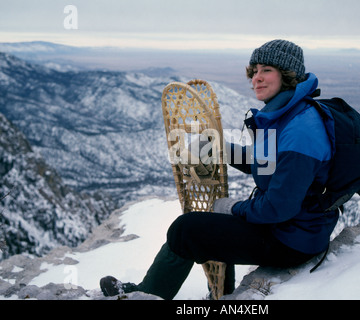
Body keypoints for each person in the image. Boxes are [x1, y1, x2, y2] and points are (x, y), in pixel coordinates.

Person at [100, 39, 339, 300]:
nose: (257, 78)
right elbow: (268, 165)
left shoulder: (301, 130)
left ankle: (148, 295)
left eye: (267, 70)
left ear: (288, 75)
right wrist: (222, 148)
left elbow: (277, 208)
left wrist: (233, 207)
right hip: (292, 229)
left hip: (292, 241)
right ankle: (223, 294)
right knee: (216, 227)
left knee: (186, 231)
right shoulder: (285, 114)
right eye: (254, 70)